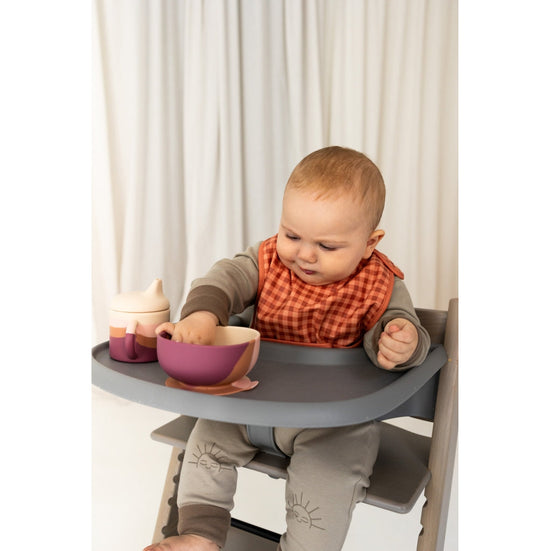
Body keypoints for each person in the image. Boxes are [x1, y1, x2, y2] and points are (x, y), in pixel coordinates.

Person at [144, 146, 431, 551]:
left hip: (332, 422)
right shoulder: (266, 262)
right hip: (250, 401)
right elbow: (226, 277)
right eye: (292, 235)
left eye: (327, 246)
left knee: (328, 479)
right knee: (206, 442)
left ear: (370, 243)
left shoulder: (380, 284)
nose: (305, 254)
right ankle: (200, 534)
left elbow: (403, 329)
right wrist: (204, 315)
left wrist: (402, 342)